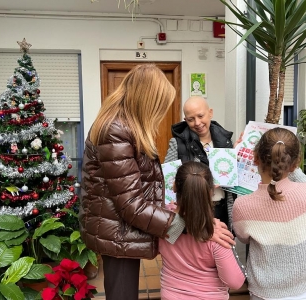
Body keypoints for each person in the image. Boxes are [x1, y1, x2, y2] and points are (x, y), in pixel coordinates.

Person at [79, 64, 235, 300]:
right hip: (118, 233)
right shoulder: (116, 130)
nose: (161, 112)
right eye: (161, 105)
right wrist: (196, 226)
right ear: (148, 101)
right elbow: (133, 205)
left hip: (119, 230)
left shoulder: (122, 125)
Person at [232, 128, 306, 300]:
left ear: (255, 158)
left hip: (265, 293)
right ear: (294, 164)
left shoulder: (243, 205)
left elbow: (243, 237)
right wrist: (295, 171)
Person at [159, 161, 246, 300]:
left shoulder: (161, 221)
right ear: (211, 191)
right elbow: (235, 282)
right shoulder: (217, 233)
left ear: (174, 186)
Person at [165, 96, 241, 229]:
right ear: (185, 120)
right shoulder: (177, 144)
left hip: (222, 209)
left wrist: (237, 156)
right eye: (191, 119)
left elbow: (232, 180)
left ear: (210, 113)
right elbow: (168, 182)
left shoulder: (225, 141)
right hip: (192, 213)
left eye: (201, 116)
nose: (197, 123)